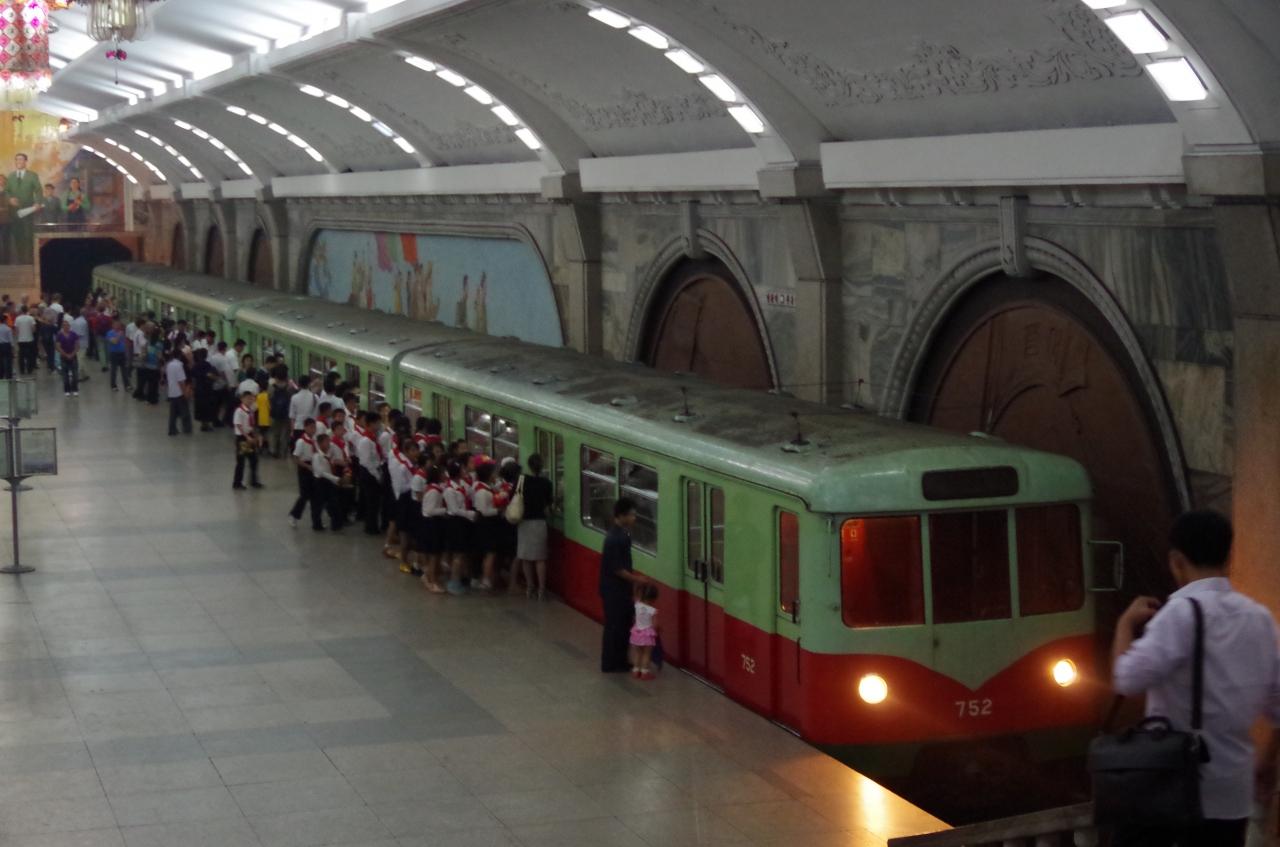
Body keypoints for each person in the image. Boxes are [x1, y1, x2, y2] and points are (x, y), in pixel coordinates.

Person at [1112, 510, 1280, 847]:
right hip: (1233, 795)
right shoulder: (1260, 619)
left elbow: (1126, 680)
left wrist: (1125, 624)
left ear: (1177, 561)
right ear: (1228, 556)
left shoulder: (1179, 614)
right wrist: (1266, 762)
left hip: (1175, 790)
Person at [600, 498, 648, 673]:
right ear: (621, 516)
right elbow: (618, 569)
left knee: (621, 626)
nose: (634, 518)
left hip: (618, 589)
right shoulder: (616, 538)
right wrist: (637, 580)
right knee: (616, 627)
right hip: (615, 591)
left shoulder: (619, 534)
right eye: (632, 515)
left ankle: (619, 660)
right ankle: (611, 663)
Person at [514, 454, 554, 600]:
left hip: (524, 522)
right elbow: (549, 504)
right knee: (540, 558)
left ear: (529, 465)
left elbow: (514, 497)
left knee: (526, 557)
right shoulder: (546, 483)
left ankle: (530, 587)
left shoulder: (521, 480)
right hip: (539, 523)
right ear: (542, 466)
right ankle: (541, 590)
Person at [419, 464, 448, 594]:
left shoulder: (434, 488)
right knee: (433, 555)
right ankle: (432, 581)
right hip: (432, 524)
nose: (445, 475)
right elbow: (429, 510)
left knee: (435, 554)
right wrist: (445, 510)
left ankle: (430, 577)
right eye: (443, 473)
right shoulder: (434, 491)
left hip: (434, 523)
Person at [7, 154, 41, 264]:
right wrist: (10, 199)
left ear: (26, 161)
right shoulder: (11, 176)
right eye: (16, 159)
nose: (18, 161)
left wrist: (37, 203)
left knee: (28, 235)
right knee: (17, 236)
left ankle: (31, 260)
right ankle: (20, 260)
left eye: (21, 159)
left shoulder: (32, 175)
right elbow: (7, 191)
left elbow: (38, 190)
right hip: (14, 212)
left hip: (28, 211)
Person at [309, 433, 346, 531]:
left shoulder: (329, 454)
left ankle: (336, 524)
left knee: (333, 503)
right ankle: (317, 525)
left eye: (329, 441)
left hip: (329, 481)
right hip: (320, 482)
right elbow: (321, 473)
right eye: (326, 441)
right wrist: (336, 479)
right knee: (318, 505)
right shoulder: (316, 456)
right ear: (320, 444)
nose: (329, 443)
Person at [288, 418, 318, 528]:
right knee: (304, 495)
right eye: (310, 427)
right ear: (305, 428)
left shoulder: (314, 440)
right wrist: (307, 466)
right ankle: (294, 515)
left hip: (314, 467)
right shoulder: (301, 441)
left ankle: (316, 521)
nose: (313, 430)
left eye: (314, 427)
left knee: (315, 496)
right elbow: (295, 458)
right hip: (304, 468)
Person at [231, 390, 263, 490]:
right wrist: (247, 437)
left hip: (249, 436)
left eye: (251, 399)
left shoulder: (250, 410)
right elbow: (238, 425)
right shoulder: (239, 411)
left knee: (254, 460)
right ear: (242, 399)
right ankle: (237, 483)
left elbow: (251, 424)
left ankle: (253, 481)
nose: (250, 400)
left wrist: (255, 436)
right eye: (247, 399)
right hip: (242, 439)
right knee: (241, 461)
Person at [630, 583, 661, 680]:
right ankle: (644, 672)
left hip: (636, 633)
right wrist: (658, 629)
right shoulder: (652, 610)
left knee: (638, 653)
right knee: (646, 654)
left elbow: (635, 595)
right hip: (647, 635)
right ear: (654, 598)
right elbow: (655, 625)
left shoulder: (637, 605)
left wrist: (637, 586)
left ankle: (636, 671)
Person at [164, 350, 192, 436]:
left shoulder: (169, 365)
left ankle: (172, 429)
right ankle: (187, 429)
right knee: (185, 412)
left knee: (173, 413)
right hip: (179, 393)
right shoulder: (179, 366)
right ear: (180, 356)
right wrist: (185, 393)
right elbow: (181, 381)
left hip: (172, 392)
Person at [267, 367, 293, 458]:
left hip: (274, 414)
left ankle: (274, 450)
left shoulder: (271, 387)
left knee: (274, 433)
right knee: (285, 433)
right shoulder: (289, 387)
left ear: (276, 377)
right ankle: (283, 451)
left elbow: (268, 399)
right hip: (286, 413)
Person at [55, 318, 79, 396]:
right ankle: (67, 389)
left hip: (73, 356)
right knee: (65, 375)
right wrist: (65, 354)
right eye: (64, 326)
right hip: (63, 357)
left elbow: (77, 345)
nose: (66, 327)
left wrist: (72, 354)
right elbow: (58, 347)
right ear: (62, 327)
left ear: (69, 326)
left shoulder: (74, 334)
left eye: (67, 325)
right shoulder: (59, 335)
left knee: (75, 374)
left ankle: (75, 389)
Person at [105, 319, 130, 391]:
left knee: (124, 370)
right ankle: (113, 385)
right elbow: (114, 342)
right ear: (113, 325)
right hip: (114, 353)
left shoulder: (123, 333)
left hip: (122, 353)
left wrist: (126, 352)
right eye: (116, 325)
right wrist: (119, 335)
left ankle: (127, 385)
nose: (118, 326)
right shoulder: (110, 333)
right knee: (114, 370)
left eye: (119, 325)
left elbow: (125, 343)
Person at [13, 305, 34, 375]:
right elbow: (34, 329)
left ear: (21, 310)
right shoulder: (31, 318)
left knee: (21, 356)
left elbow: (16, 330)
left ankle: (22, 370)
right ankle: (29, 369)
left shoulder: (17, 319)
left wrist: (17, 337)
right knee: (29, 356)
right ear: (27, 310)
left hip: (21, 340)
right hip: (29, 339)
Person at [0, 315, 12, 380]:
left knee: (0, 361)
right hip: (6, 345)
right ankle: (8, 376)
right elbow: (10, 340)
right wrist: (13, 349)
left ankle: (1, 375)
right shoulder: (8, 329)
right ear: (5, 320)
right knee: (7, 361)